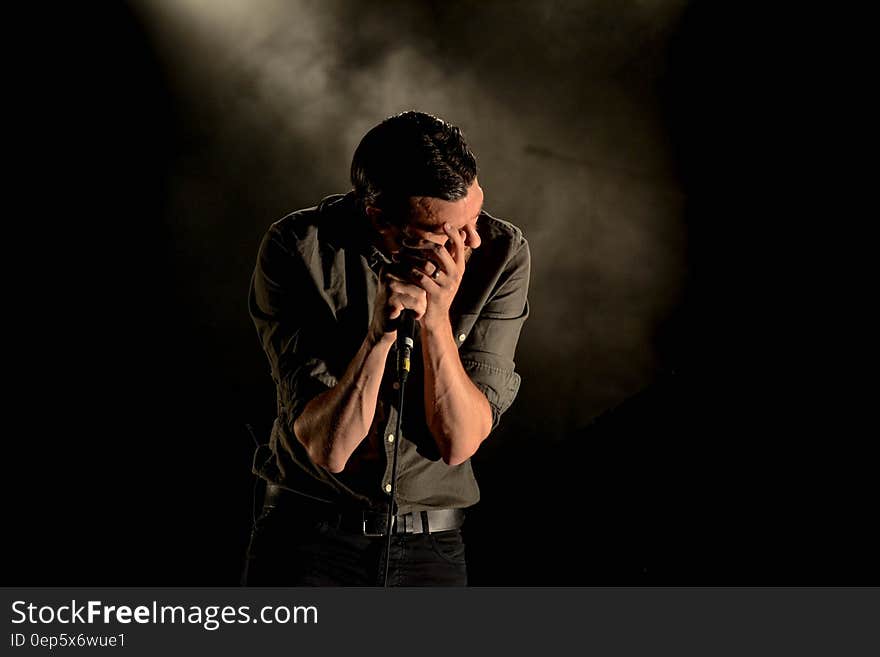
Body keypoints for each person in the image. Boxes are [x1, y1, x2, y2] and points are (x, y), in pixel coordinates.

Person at [242, 111, 530, 586]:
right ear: (379, 217)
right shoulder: (300, 248)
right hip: (307, 539)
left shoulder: (501, 253)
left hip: (429, 549)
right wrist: (379, 335)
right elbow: (329, 449)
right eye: (444, 233)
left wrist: (437, 320)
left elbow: (459, 442)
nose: (470, 241)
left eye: (474, 218)